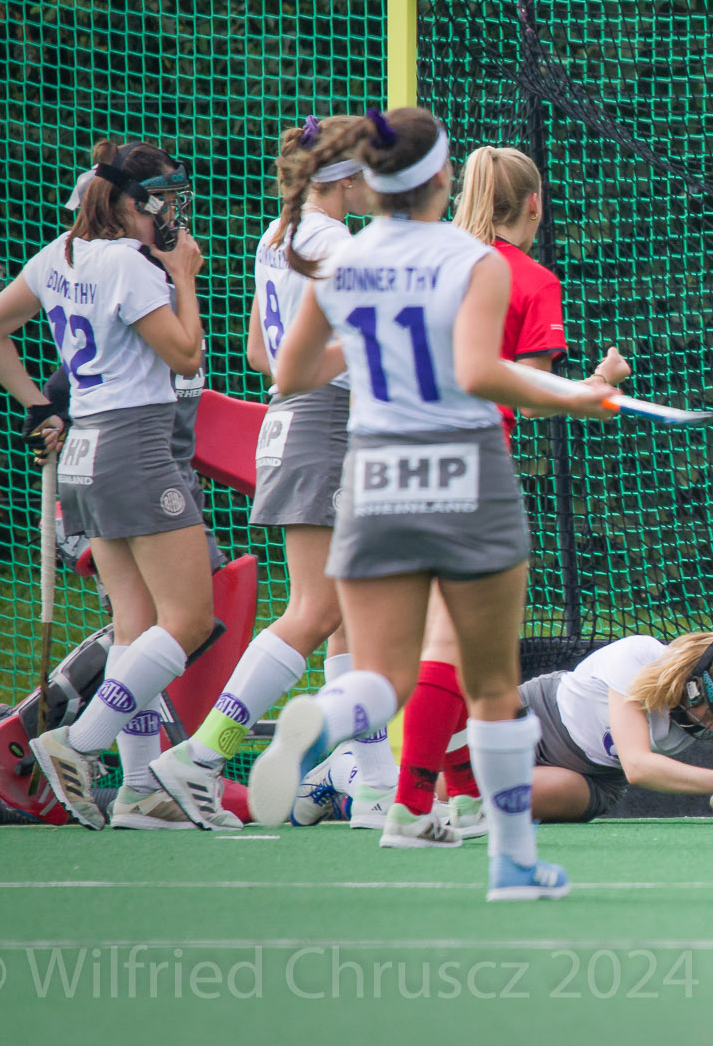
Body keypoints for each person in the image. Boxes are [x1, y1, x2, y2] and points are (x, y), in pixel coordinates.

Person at [245, 106, 621, 901]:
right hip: (464, 469)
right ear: (442, 177)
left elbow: (289, 374)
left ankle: (322, 718)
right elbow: (482, 373)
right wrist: (580, 394)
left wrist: (365, 342)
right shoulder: (474, 261)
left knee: (382, 674)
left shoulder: (344, 260)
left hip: (374, 474)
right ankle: (513, 862)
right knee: (490, 681)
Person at [152, 116, 401, 828]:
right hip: (325, 425)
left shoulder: (278, 235)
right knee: (316, 610)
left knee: (349, 612)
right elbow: (362, 344)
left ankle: (373, 787)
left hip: (297, 421)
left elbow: (260, 354)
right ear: (346, 180)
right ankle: (203, 754)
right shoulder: (336, 243)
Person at [381, 144, 628, 849]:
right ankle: (409, 803)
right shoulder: (528, 279)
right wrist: (599, 384)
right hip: (469, 461)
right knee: (454, 642)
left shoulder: (430, 262)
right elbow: (534, 394)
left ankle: (462, 799)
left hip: (394, 453)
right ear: (534, 204)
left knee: (454, 643)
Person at [0, 140, 213, 830]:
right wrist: (183, 277)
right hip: (135, 446)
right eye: (163, 200)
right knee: (188, 620)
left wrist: (38, 406)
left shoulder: (59, 254)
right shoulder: (130, 263)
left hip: (84, 448)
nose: (170, 214)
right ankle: (77, 742)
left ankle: (137, 789)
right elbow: (186, 353)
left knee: (135, 626)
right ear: (133, 202)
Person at [518, 631, 713, 826]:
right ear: (694, 686)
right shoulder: (637, 656)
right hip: (536, 718)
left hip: (594, 781)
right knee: (490, 784)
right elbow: (637, 766)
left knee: (505, 800)